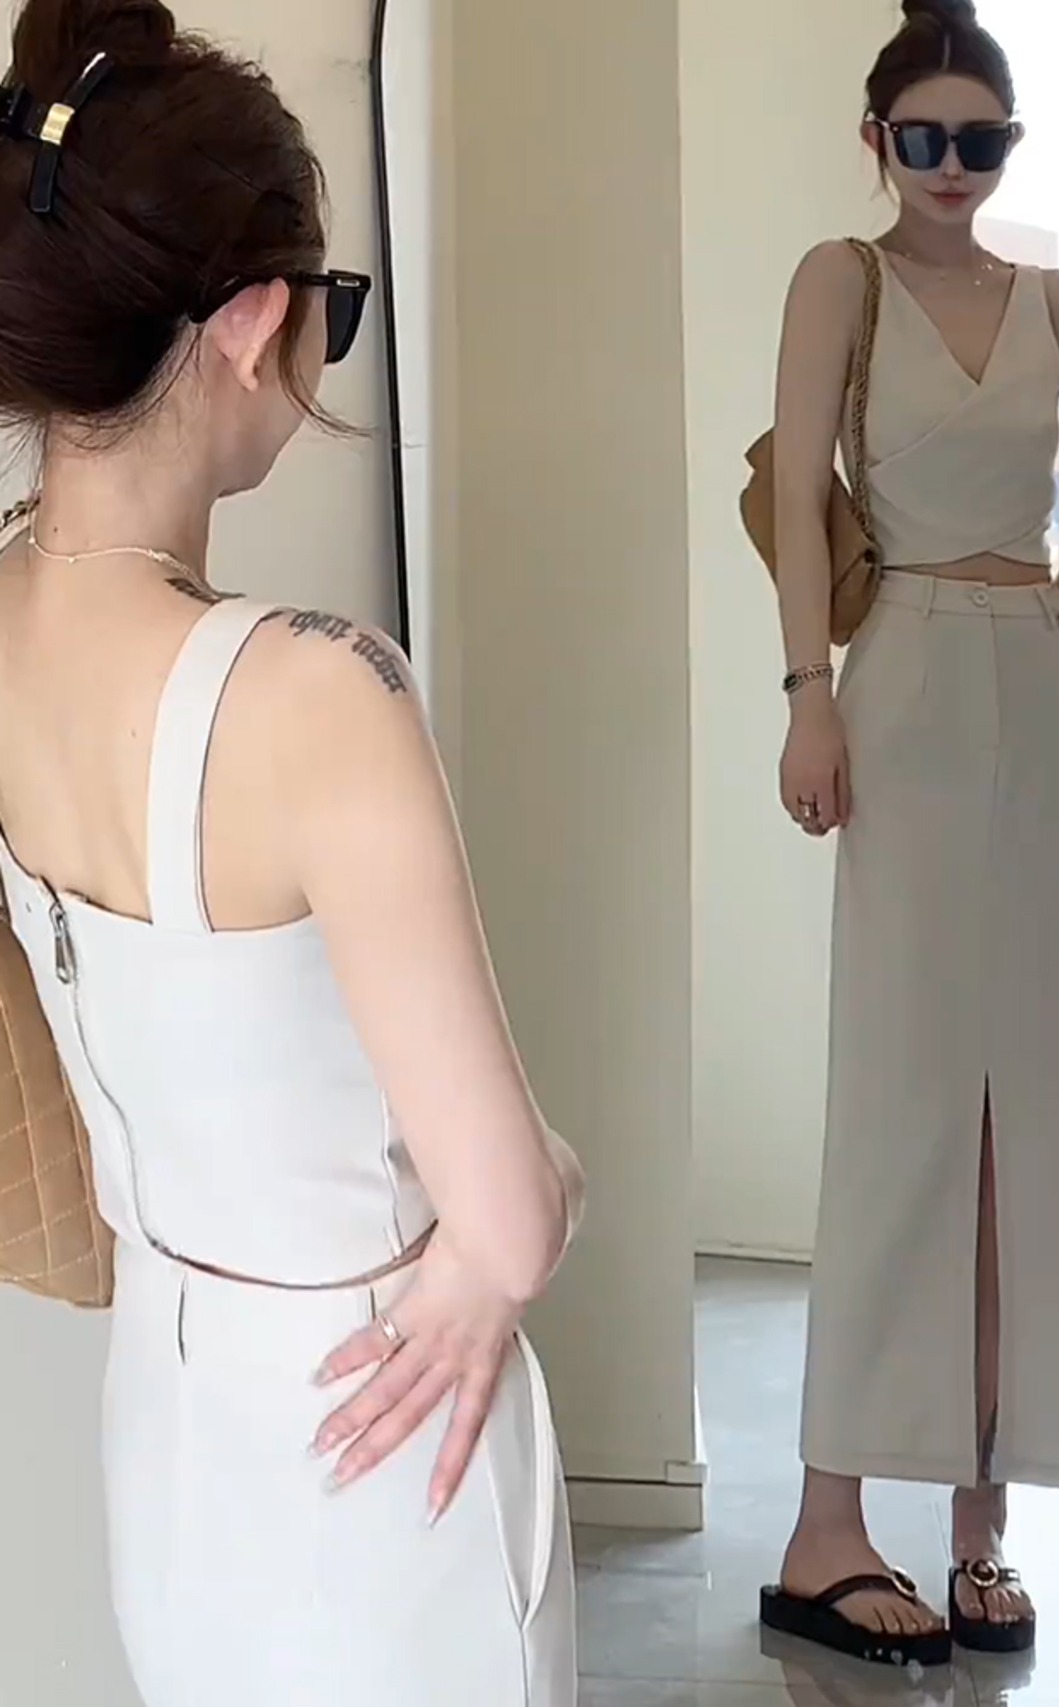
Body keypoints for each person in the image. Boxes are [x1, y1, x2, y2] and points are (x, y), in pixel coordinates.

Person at [0, 2, 584, 1703]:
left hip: (169, 1432)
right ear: (254, 322)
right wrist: (552, 1180)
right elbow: (511, 1220)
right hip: (385, 1438)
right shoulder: (319, 695)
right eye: (332, 305)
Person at [759, 0, 1059, 1670]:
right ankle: (826, 1521)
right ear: (878, 141)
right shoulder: (842, 280)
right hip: (900, 686)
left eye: (984, 141)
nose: (953, 166)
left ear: (1010, 148)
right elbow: (797, 502)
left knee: (1032, 1104)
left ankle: (981, 1523)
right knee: (900, 1097)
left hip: (1042, 678)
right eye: (927, 137)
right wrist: (807, 696)